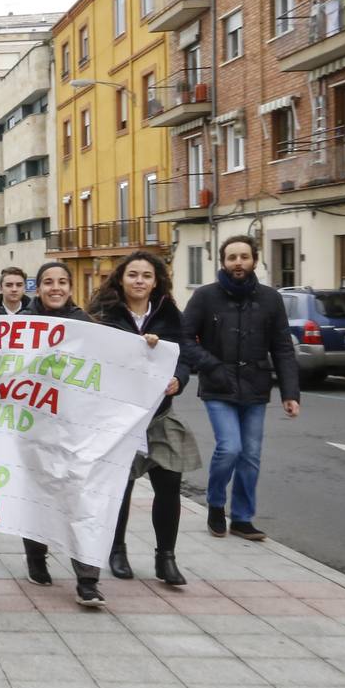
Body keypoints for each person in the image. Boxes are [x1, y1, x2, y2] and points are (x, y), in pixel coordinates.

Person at [88, 251, 199, 586]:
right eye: (133, 274)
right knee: (122, 486)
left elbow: (183, 356)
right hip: (119, 417)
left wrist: (179, 379)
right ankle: (117, 551)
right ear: (121, 279)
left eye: (146, 276)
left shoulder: (169, 315)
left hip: (160, 414)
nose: (139, 281)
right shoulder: (104, 315)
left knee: (169, 483)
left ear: (156, 281)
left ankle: (166, 557)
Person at [182, 235, 300, 541]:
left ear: (254, 260)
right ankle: (216, 504)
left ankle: (243, 518)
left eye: (244, 257)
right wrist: (211, 365)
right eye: (232, 257)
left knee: (251, 455)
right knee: (230, 447)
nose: (238, 262)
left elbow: (283, 348)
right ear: (222, 262)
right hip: (218, 386)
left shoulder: (270, 298)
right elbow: (184, 338)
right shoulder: (205, 297)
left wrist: (290, 393)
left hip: (256, 387)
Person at [23, 261, 107, 606]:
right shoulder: (21, 326)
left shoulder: (86, 326)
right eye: (47, 282)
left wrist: (147, 350)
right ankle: (36, 555)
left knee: (82, 497)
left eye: (61, 282)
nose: (55, 288)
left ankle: (87, 579)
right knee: (38, 492)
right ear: (38, 287)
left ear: (71, 288)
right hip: (32, 426)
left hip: (76, 429)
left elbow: (112, 363)